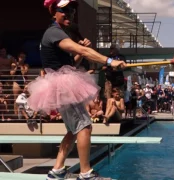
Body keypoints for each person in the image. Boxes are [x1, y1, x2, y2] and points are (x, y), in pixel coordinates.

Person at [27, 1, 126, 179]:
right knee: (85, 126)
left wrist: (82, 51)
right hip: (62, 84)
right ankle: (85, 173)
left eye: (71, 10)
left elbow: (71, 63)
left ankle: (57, 169)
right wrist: (110, 61)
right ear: (54, 13)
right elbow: (80, 50)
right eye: (64, 10)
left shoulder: (57, 33)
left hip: (61, 81)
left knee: (74, 129)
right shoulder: (54, 32)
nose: (70, 13)